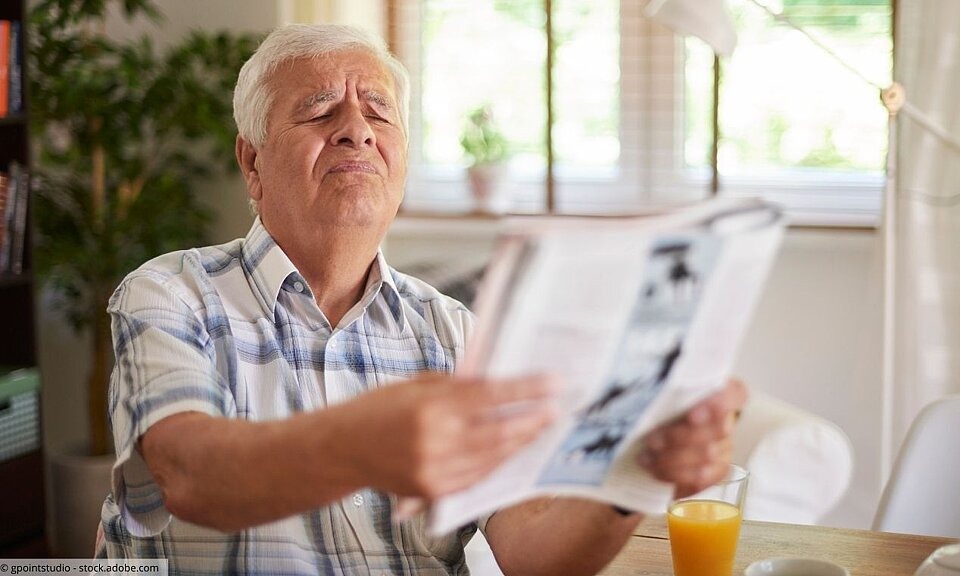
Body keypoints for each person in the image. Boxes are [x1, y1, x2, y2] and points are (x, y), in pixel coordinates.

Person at [99, 23, 747, 575]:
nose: (357, 129)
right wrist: (363, 443)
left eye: (379, 112)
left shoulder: (454, 331)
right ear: (252, 161)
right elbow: (188, 475)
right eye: (320, 111)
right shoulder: (170, 294)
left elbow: (532, 551)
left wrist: (635, 474)